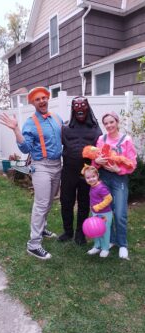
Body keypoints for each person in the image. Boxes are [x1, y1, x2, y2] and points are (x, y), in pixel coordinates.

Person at [0, 86, 63, 260]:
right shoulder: (30, 123)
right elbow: (25, 147)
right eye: (38, 99)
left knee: (49, 201)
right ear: (33, 103)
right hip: (41, 166)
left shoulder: (57, 118)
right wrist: (15, 129)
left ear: (48, 99)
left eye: (44, 98)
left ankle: (42, 229)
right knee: (41, 204)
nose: (42, 101)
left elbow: (65, 138)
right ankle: (33, 244)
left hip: (58, 165)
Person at [58, 96, 102, 245]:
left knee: (84, 203)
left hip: (87, 174)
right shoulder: (65, 128)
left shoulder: (96, 129)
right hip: (68, 172)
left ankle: (80, 233)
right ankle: (68, 231)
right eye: (76, 105)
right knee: (66, 202)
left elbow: (101, 149)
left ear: (87, 108)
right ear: (72, 109)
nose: (80, 108)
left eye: (83, 105)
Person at [94, 111, 137, 259]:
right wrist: (96, 162)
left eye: (111, 122)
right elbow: (95, 160)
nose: (109, 125)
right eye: (106, 123)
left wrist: (119, 169)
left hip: (119, 179)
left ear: (117, 122)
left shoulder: (126, 140)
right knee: (107, 212)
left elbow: (132, 163)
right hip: (104, 179)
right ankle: (111, 239)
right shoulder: (101, 139)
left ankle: (122, 244)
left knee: (119, 214)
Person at [81, 165, 113, 258]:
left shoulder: (101, 187)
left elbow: (109, 199)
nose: (91, 179)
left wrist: (98, 207)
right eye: (88, 178)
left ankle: (105, 248)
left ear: (97, 175)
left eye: (93, 177)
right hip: (96, 213)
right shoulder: (93, 186)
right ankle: (97, 246)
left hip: (105, 214)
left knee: (104, 231)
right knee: (96, 230)